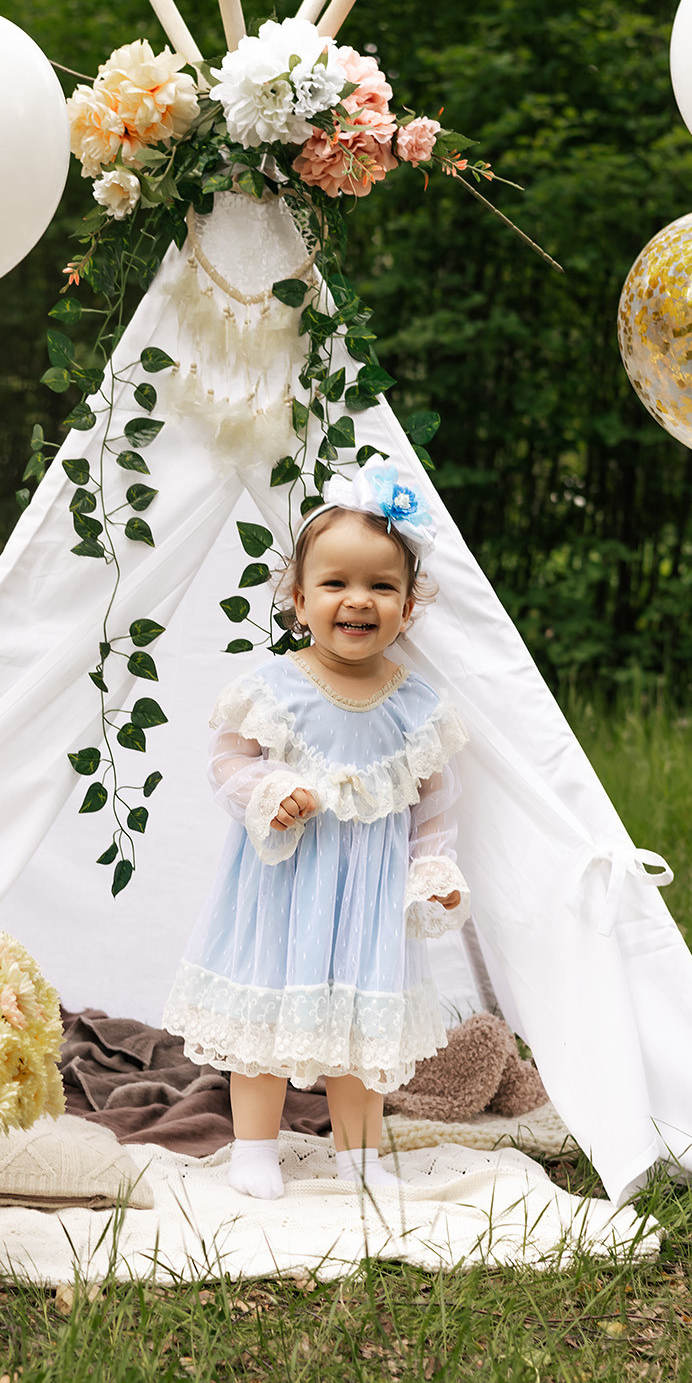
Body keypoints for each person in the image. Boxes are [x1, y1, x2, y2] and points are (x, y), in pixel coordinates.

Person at [162, 461, 470, 1199]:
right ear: (299, 600)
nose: (357, 601)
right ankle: (255, 1148)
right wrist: (268, 792)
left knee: (363, 1028)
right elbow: (225, 762)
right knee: (267, 1014)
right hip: (284, 886)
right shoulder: (277, 685)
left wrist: (434, 871)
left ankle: (359, 1157)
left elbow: (435, 802)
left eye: (381, 586)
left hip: (366, 898)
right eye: (335, 585)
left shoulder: (416, 704)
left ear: (410, 605)